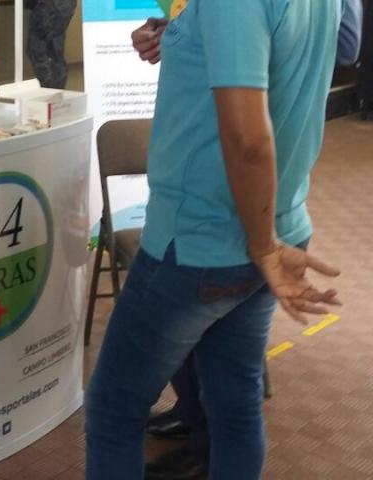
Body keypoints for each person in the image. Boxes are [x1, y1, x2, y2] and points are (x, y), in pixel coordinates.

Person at [85, 0, 347, 478]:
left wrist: (262, 246)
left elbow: (247, 139)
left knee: (114, 412)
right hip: (275, 229)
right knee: (235, 404)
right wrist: (182, 34)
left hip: (206, 240)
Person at [26, 0, 77, 89]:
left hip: (50, 5)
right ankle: (57, 90)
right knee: (54, 50)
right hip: (62, 5)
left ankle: (50, 89)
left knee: (39, 49)